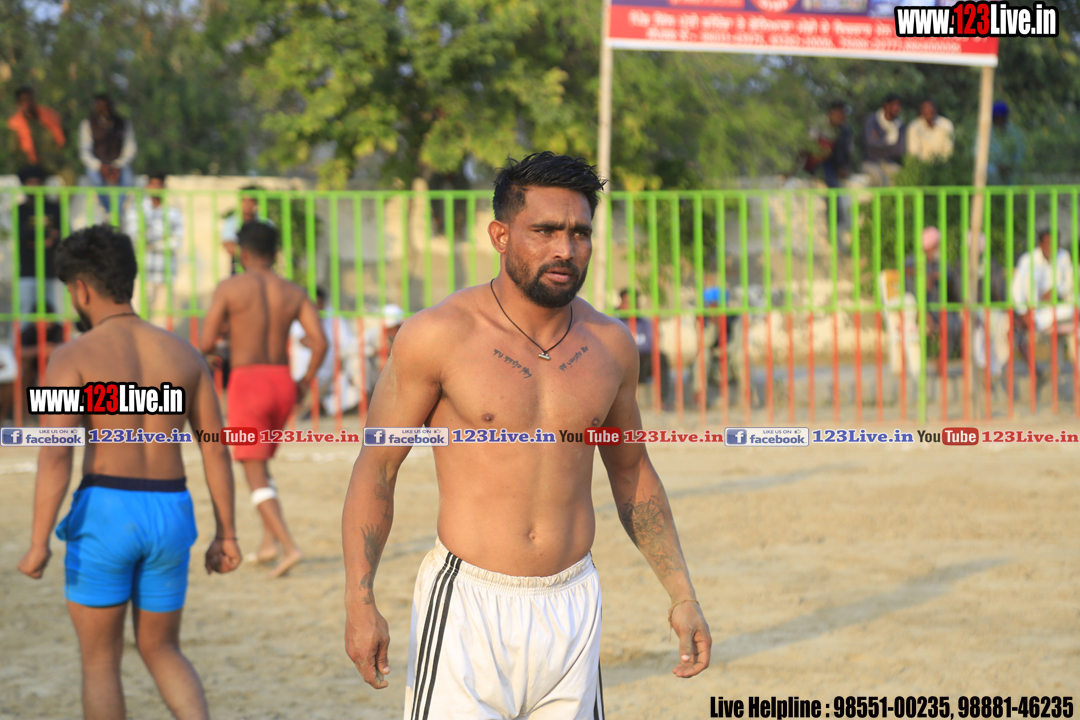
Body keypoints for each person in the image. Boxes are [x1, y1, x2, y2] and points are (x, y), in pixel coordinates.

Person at [342, 152, 711, 718]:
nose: (565, 249)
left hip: (574, 602)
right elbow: (378, 466)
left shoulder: (610, 345)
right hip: (467, 605)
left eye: (580, 232)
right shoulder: (439, 335)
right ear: (500, 235)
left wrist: (682, 594)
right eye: (545, 231)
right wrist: (359, 600)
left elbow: (632, 471)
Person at [16, 224, 241, 720]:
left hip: (107, 510)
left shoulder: (72, 357)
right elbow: (215, 449)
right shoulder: (184, 354)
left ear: (80, 289)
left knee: (100, 663)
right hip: (171, 509)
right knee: (162, 648)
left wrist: (37, 542)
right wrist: (226, 532)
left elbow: (56, 453)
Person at [200, 221, 327, 578]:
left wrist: (223, 340)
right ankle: (269, 543)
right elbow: (320, 342)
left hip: (248, 381)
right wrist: (304, 381)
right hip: (282, 380)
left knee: (252, 470)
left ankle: (288, 546)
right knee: (261, 464)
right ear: (275, 252)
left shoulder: (230, 288)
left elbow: (206, 342)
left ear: (243, 252)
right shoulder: (293, 291)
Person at [289, 287, 362, 416]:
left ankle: (318, 406)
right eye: (313, 304)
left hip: (329, 377)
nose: (316, 308)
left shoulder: (333, 317)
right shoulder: (296, 316)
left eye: (319, 304)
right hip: (299, 376)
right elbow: (307, 342)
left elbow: (347, 345)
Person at [123, 172, 184, 322]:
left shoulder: (173, 212)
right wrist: (162, 239)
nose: (156, 188)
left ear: (164, 187)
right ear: (147, 186)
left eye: (159, 184)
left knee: (161, 318)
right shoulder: (137, 209)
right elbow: (134, 237)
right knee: (138, 316)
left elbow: (177, 242)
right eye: (153, 184)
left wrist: (152, 242)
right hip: (142, 271)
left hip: (165, 271)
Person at [17, 165, 63, 329]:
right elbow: (23, 235)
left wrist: (37, 238)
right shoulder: (20, 210)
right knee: (24, 317)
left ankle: (63, 345)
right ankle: (20, 345)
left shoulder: (55, 208)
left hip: (53, 271)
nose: (35, 186)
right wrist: (46, 237)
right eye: (30, 182)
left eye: (38, 182)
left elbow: (61, 235)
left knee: (59, 315)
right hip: (28, 271)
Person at [79, 94, 137, 214]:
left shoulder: (123, 123)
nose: (103, 109)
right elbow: (84, 151)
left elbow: (130, 148)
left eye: (105, 106)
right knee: (96, 181)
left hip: (119, 164)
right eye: (100, 106)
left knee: (128, 180)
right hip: (97, 165)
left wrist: (118, 165)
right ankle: (108, 212)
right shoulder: (87, 124)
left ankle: (116, 213)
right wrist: (99, 166)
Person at [1012, 228, 1074, 334]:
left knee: (1073, 308)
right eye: (1048, 243)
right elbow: (1017, 288)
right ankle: (1033, 321)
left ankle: (1037, 324)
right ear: (1040, 244)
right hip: (1032, 307)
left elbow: (1069, 284)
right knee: (1031, 276)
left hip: (1055, 306)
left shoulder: (1064, 257)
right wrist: (1023, 312)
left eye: (1055, 244)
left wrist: (1056, 291)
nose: (1052, 247)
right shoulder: (1028, 259)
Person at [7, 86, 66, 174]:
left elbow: (60, 140)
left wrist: (55, 156)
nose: (27, 104)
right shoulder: (14, 124)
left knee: (70, 176)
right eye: (23, 101)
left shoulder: (48, 116)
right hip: (29, 165)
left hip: (52, 162)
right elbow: (14, 151)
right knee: (33, 178)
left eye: (29, 100)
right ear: (18, 103)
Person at [220, 186, 273, 276]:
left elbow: (270, 247)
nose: (247, 204)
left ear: (256, 202)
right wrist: (255, 252)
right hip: (238, 269)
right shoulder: (232, 222)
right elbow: (230, 248)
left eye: (250, 200)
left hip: (261, 271)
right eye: (244, 200)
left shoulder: (266, 223)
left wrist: (243, 251)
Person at [863, 94, 905, 186]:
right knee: (878, 178)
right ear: (886, 105)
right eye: (894, 104)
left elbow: (900, 150)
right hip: (871, 162)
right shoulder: (872, 120)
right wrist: (891, 145)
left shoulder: (900, 125)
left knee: (900, 176)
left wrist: (878, 141)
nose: (897, 108)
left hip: (890, 163)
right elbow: (870, 144)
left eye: (899, 105)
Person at [985, 101, 1025, 186]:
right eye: (997, 118)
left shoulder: (1015, 133)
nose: (999, 122)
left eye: (1001, 119)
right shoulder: (986, 133)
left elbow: (1020, 154)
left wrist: (1010, 166)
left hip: (1011, 171)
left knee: (1018, 176)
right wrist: (996, 165)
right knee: (989, 170)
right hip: (993, 172)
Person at [819, 100, 854, 189]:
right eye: (840, 113)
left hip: (837, 164)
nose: (843, 116)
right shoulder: (820, 125)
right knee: (832, 183)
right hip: (821, 163)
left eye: (844, 114)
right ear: (831, 113)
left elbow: (846, 151)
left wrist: (843, 167)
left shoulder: (845, 130)